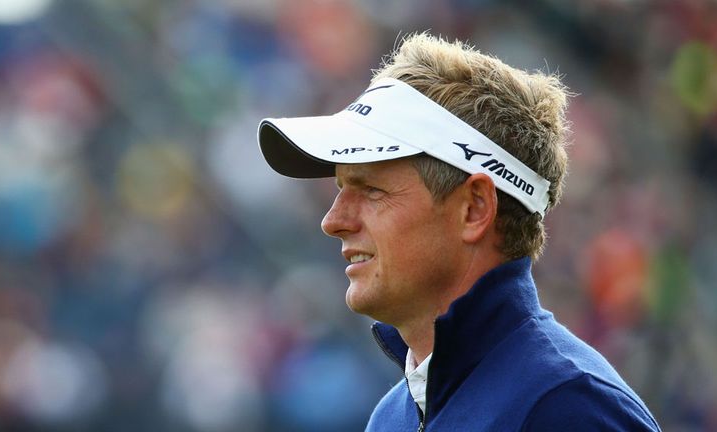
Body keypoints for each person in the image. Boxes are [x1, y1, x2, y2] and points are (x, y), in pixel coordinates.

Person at [257, 33, 661, 431]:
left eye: (372, 190)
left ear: (474, 208)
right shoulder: (391, 417)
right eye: (341, 189)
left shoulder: (569, 407)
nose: (333, 221)